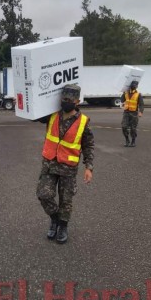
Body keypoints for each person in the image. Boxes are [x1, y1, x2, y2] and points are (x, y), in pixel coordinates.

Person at [36, 84, 94, 244]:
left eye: (69, 100)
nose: (65, 102)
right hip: (49, 164)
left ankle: (62, 226)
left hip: (68, 167)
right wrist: (21, 104)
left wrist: (88, 167)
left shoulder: (83, 122)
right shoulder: (52, 115)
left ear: (77, 101)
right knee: (43, 194)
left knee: (66, 200)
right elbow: (33, 115)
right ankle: (55, 219)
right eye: (63, 99)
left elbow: (88, 145)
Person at [121, 80, 144, 147]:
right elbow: (122, 100)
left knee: (133, 128)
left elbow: (141, 104)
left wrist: (141, 112)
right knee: (124, 127)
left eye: (135, 85)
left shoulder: (138, 94)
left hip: (134, 113)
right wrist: (123, 92)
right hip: (126, 113)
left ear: (136, 86)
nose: (134, 86)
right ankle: (127, 140)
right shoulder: (126, 93)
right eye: (133, 84)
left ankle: (133, 141)